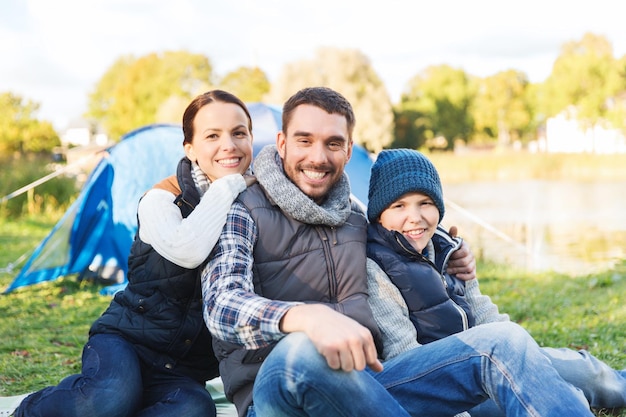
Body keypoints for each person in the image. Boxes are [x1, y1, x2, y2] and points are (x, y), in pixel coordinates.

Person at [202, 86, 595, 417]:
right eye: (305, 141)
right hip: (279, 389)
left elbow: (410, 235)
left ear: (349, 148)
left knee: (504, 341)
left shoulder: (355, 215)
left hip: (372, 381)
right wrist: (306, 318)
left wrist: (450, 254)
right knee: (302, 351)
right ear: (283, 143)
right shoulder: (241, 207)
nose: (318, 157)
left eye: (333, 143)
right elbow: (221, 306)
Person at [12, 90, 255, 417]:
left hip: (182, 369)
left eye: (239, 133)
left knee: (194, 410)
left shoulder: (257, 205)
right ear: (191, 149)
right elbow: (188, 249)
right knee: (109, 397)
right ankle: (30, 409)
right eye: (213, 135)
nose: (229, 145)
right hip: (127, 343)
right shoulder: (162, 199)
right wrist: (230, 184)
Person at [365, 147, 626, 416]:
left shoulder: (446, 250)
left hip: (486, 361)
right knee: (551, 395)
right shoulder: (375, 268)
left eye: (425, 203)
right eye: (399, 206)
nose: (415, 217)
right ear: (379, 214)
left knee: (581, 371)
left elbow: (483, 313)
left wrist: (529, 360)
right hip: (447, 387)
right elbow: (405, 356)